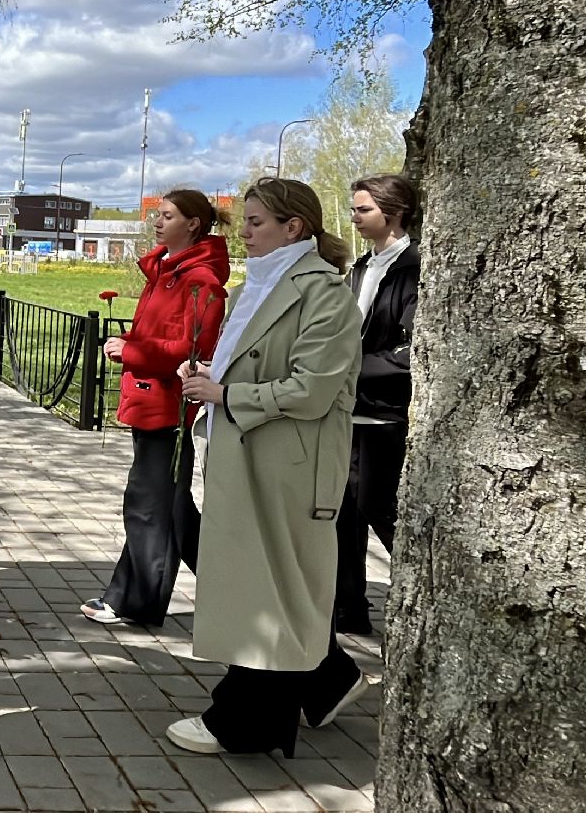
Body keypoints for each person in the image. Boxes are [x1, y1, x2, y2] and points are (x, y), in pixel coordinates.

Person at [169, 177, 366, 757]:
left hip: (288, 465)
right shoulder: (265, 283)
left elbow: (310, 389)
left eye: (256, 222)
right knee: (267, 587)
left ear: (294, 228)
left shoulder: (322, 291)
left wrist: (225, 393)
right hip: (254, 455)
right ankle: (327, 682)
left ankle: (246, 722)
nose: (245, 232)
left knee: (270, 590)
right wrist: (210, 378)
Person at [80, 190, 229, 627]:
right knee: (169, 507)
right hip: (150, 400)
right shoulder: (166, 271)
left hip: (169, 404)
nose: (157, 223)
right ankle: (234, 587)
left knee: (151, 503)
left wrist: (133, 350)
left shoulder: (199, 279)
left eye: (167, 216)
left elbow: (195, 349)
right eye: (157, 216)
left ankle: (137, 603)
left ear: (194, 224)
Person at [334, 174, 419, 635]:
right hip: (350, 406)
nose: (354, 217)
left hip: (387, 411)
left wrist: (353, 368)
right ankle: (348, 607)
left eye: (363, 209)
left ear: (395, 211)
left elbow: (415, 350)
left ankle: (419, 596)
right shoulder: (361, 268)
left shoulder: (416, 268)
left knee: (378, 505)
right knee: (343, 508)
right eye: (353, 209)